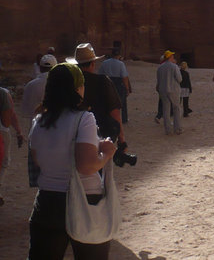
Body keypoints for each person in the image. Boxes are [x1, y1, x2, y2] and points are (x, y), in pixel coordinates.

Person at [27, 62, 117, 259]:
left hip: (47, 203)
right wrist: (107, 153)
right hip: (85, 200)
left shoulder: (38, 121)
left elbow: (38, 160)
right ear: (76, 88)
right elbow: (86, 166)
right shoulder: (84, 118)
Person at [68, 43, 127, 153]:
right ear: (92, 64)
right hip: (101, 134)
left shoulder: (70, 83)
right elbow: (115, 112)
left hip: (74, 135)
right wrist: (121, 139)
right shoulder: (103, 81)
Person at [0, 86, 25, 206]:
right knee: (4, 162)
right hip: (1, 132)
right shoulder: (3, 93)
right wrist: (19, 132)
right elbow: (7, 120)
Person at [22, 54, 58, 130]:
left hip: (35, 128)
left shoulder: (30, 85)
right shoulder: (61, 84)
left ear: (40, 68)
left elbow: (26, 111)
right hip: (56, 128)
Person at [98, 48, 131, 124]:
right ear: (119, 55)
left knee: (108, 100)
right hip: (118, 83)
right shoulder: (120, 64)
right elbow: (124, 77)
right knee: (122, 102)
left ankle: (108, 118)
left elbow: (100, 74)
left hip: (107, 82)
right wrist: (127, 88)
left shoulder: (104, 63)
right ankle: (124, 119)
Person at [156, 50, 183, 135]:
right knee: (176, 108)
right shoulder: (174, 67)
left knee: (166, 110)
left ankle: (168, 130)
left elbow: (159, 80)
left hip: (163, 90)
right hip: (173, 90)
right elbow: (179, 79)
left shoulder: (160, 67)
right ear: (170, 57)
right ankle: (177, 128)